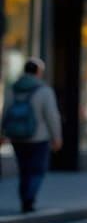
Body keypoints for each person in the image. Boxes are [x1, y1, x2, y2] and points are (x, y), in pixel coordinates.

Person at [1, 58, 62, 213]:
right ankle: (29, 198)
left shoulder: (12, 89)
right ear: (38, 72)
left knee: (24, 170)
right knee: (37, 170)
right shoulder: (44, 90)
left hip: (17, 137)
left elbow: (5, 112)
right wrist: (57, 137)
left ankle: (24, 197)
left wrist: (3, 133)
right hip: (39, 138)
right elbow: (52, 116)